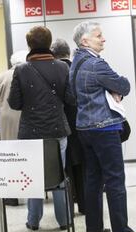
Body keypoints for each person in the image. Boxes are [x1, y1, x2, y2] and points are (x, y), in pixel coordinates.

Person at [70, 21, 136, 232]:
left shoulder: (75, 63)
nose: (103, 39)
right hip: (104, 128)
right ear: (85, 41)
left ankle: (94, 228)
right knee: (115, 179)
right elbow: (123, 86)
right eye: (98, 36)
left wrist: (108, 88)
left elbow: (72, 95)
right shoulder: (96, 64)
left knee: (93, 178)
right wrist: (114, 88)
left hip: (84, 128)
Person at [8, 26, 75, 231]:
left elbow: (14, 103)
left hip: (30, 133)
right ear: (49, 43)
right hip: (57, 130)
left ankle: (34, 220)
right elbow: (71, 99)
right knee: (58, 175)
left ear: (30, 45)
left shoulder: (21, 70)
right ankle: (64, 221)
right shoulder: (63, 67)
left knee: (32, 177)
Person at [51, 38, 86, 215]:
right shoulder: (78, 68)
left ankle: (68, 209)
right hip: (81, 124)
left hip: (62, 125)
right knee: (82, 166)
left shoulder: (55, 71)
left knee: (65, 168)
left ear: (53, 53)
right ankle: (85, 205)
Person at [0, 50, 27, 206]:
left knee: (10, 156)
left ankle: (11, 196)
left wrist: (4, 105)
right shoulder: (29, 73)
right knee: (28, 154)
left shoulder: (2, 76)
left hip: (8, 118)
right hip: (25, 116)